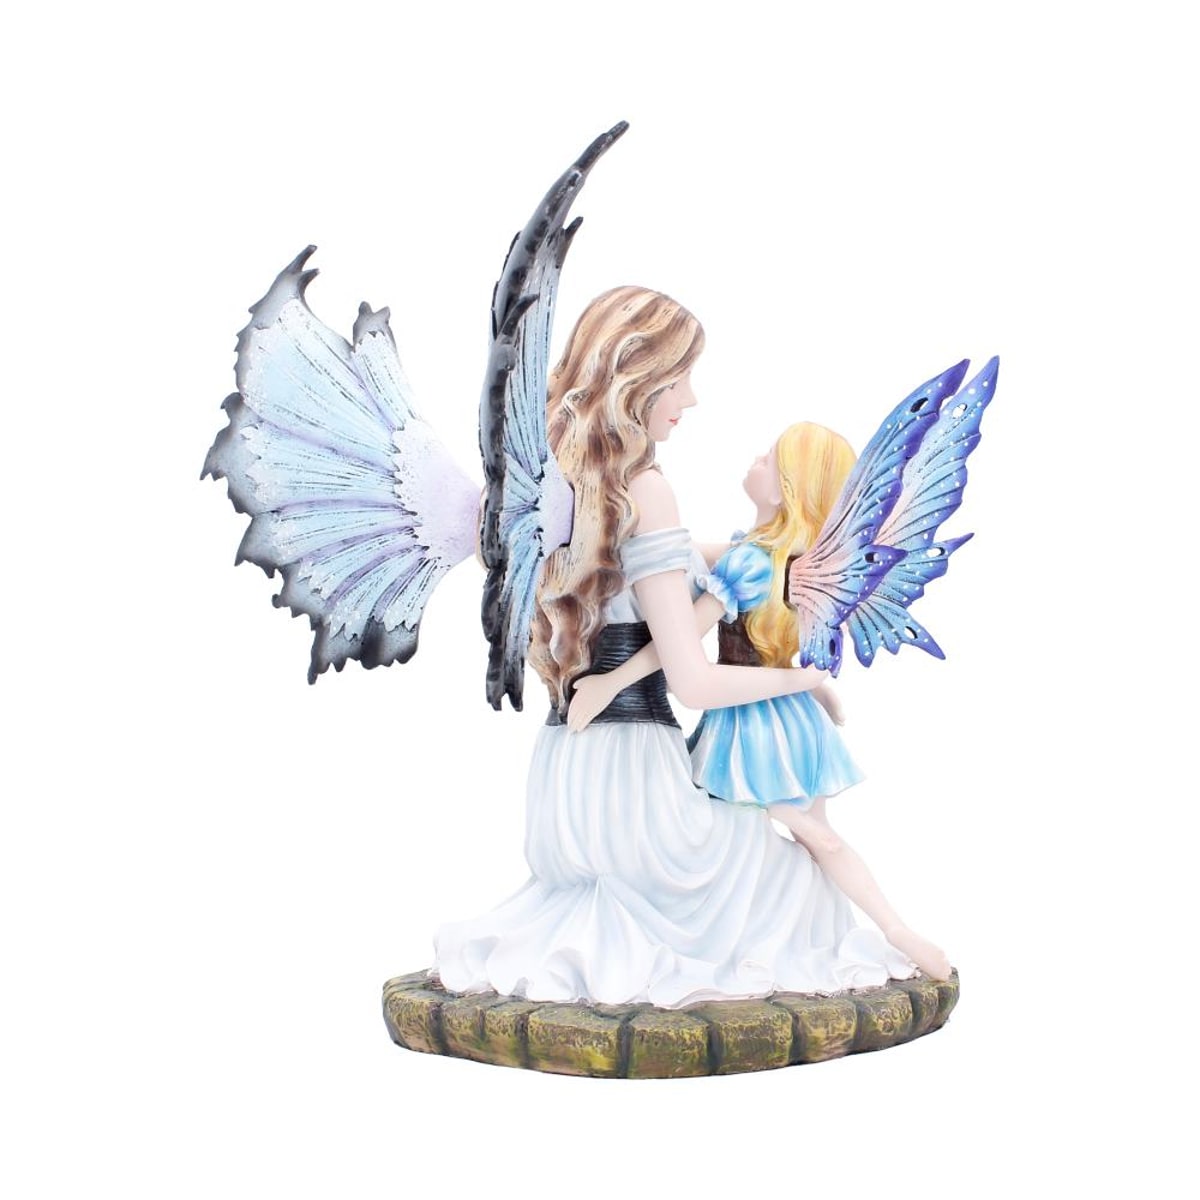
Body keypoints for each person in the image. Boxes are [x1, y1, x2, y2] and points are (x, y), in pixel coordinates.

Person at [433, 288, 915, 1007]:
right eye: (681, 378)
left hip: (565, 784)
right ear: (639, 379)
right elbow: (694, 683)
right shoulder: (646, 490)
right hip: (638, 794)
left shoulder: (572, 482)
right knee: (797, 882)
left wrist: (770, 557)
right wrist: (802, 679)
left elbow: (669, 562)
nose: (690, 398)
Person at [568, 422, 951, 980]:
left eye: (769, 460)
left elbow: (680, 643)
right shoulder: (794, 561)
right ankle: (881, 928)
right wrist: (813, 686)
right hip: (795, 721)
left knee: (786, 827)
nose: (756, 460)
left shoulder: (750, 562)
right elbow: (690, 562)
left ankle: (875, 922)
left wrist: (612, 682)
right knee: (818, 840)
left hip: (748, 723)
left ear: (787, 489)